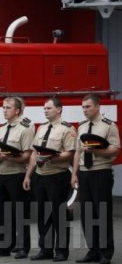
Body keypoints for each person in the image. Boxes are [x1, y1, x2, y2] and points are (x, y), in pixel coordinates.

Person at [23, 97, 76, 262]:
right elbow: (34, 153)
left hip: (57, 176)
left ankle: (61, 251)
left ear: (59, 109)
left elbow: (70, 153)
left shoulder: (67, 129)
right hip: (40, 177)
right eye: (44, 108)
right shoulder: (41, 128)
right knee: (43, 215)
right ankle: (45, 250)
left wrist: (51, 159)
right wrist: (28, 175)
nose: (45, 110)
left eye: (49, 108)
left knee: (59, 215)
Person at [71, 94, 120, 264]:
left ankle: (106, 253)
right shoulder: (82, 127)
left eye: (88, 106)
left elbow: (115, 149)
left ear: (98, 107)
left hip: (101, 172)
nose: (84, 110)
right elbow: (78, 151)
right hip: (84, 173)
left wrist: (97, 152)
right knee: (87, 213)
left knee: (102, 212)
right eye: (83, 107)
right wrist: (74, 173)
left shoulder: (109, 126)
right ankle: (93, 250)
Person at [0, 96, 34, 259]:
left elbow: (27, 155)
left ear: (17, 111)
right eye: (3, 107)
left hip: (16, 175)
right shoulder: (1, 129)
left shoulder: (25, 128)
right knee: (2, 213)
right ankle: (4, 246)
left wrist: (9, 158)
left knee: (20, 213)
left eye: (7, 107)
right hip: (0, 175)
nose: (4, 110)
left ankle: (22, 247)